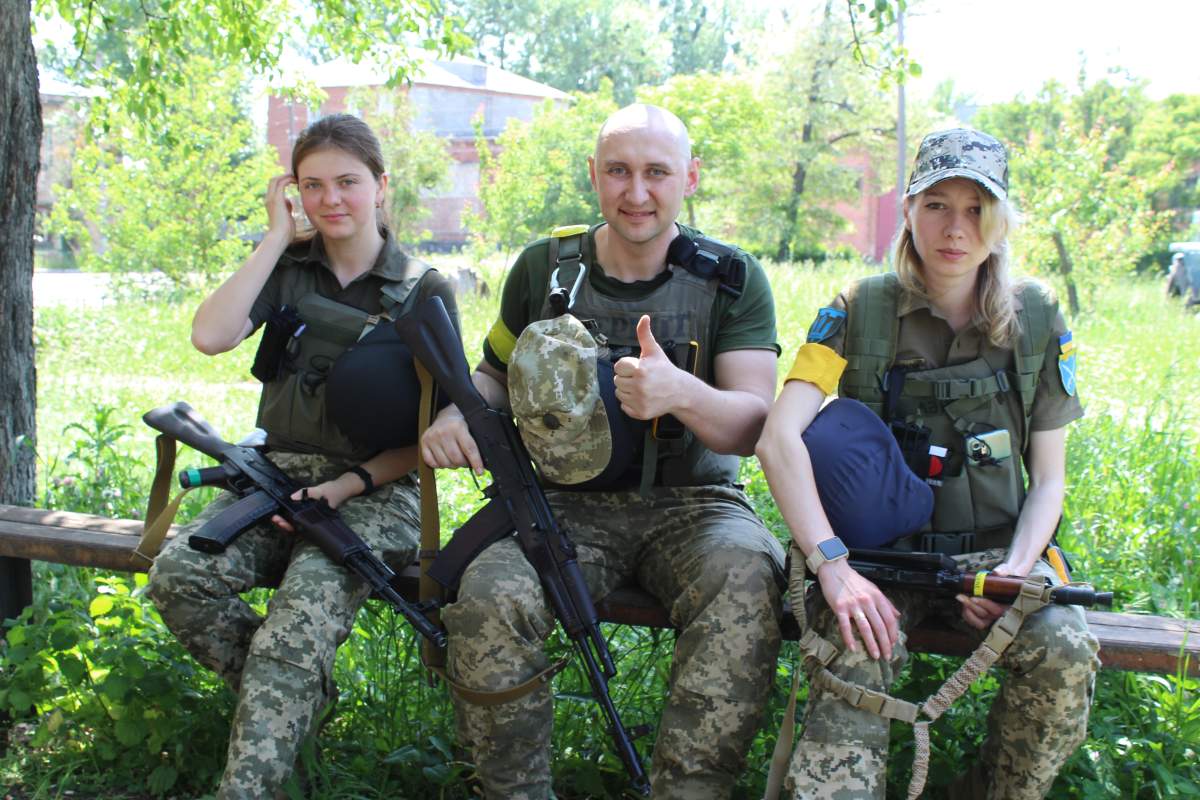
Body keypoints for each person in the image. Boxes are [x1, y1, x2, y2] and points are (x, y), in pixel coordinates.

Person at [421, 103, 785, 798]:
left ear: (690, 178)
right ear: (594, 175)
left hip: (696, 505)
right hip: (561, 504)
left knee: (746, 580)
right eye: (618, 171)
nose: (637, 192)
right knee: (492, 595)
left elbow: (750, 423)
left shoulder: (732, 279)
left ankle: (688, 789)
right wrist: (457, 415)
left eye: (657, 172)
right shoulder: (545, 268)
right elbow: (493, 376)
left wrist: (680, 392)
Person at [756, 128, 1101, 799]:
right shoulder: (858, 310)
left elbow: (1050, 478)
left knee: (1063, 650)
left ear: (1001, 222)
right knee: (853, 654)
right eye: (938, 204)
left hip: (998, 556)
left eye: (978, 208)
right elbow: (778, 438)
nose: (956, 228)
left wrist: (1014, 572)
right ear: (909, 209)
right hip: (880, 562)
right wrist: (832, 565)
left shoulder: (1036, 317)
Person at [146, 113, 458, 799]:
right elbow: (210, 334)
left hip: (377, 491)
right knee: (178, 578)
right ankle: (297, 699)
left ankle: (248, 784)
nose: (330, 200)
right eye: (311, 186)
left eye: (347, 182)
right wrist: (275, 236)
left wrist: (347, 485)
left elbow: (432, 436)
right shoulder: (288, 271)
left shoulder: (423, 288)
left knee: (294, 632)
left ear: (380, 185)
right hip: (274, 479)